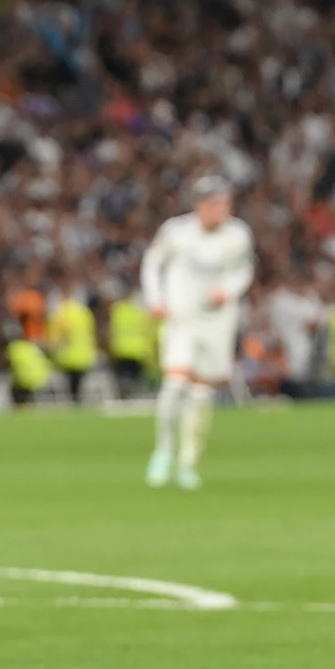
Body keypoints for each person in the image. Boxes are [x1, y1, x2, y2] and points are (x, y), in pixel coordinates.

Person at [140, 174, 255, 490]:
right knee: (175, 382)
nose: (222, 210)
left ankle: (188, 463)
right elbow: (152, 264)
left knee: (202, 393)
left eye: (226, 203)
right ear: (200, 205)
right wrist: (156, 300)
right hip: (182, 318)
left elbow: (244, 270)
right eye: (216, 203)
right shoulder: (176, 232)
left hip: (217, 323)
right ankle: (163, 450)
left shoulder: (238, 234)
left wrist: (228, 290)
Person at [47, 274, 97, 403]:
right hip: (84, 356)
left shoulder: (61, 312)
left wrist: (52, 351)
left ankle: (72, 405)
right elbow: (91, 333)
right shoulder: (84, 312)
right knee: (79, 388)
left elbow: (55, 337)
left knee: (69, 389)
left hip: (67, 357)